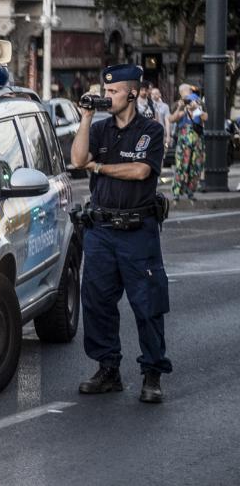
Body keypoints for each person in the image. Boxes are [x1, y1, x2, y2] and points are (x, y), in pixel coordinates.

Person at [71, 63, 170, 404]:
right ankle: (107, 369)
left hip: (137, 231)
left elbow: (141, 170)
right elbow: (77, 158)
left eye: (113, 92)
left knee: (147, 305)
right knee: (96, 303)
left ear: (132, 93)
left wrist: (98, 167)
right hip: (100, 230)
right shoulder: (99, 130)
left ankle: (152, 373)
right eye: (105, 91)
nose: (107, 97)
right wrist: (85, 118)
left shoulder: (150, 131)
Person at [169, 87, 206, 200]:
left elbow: (205, 118)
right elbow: (171, 119)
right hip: (184, 140)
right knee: (181, 165)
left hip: (197, 140)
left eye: (192, 99)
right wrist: (180, 107)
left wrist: (196, 109)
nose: (190, 101)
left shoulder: (198, 108)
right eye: (188, 99)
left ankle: (190, 191)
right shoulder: (181, 108)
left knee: (196, 166)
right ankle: (176, 191)